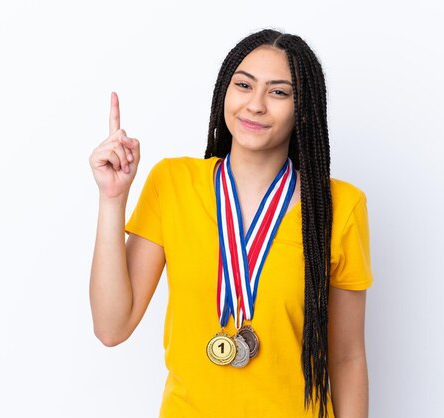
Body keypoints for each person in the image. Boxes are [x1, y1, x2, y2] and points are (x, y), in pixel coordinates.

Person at [89, 29, 373, 418]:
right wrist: (112, 198)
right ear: (225, 90)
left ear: (303, 109)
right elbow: (111, 327)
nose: (255, 105)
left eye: (278, 92)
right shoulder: (173, 183)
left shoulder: (340, 207)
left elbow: (347, 358)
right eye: (243, 85)